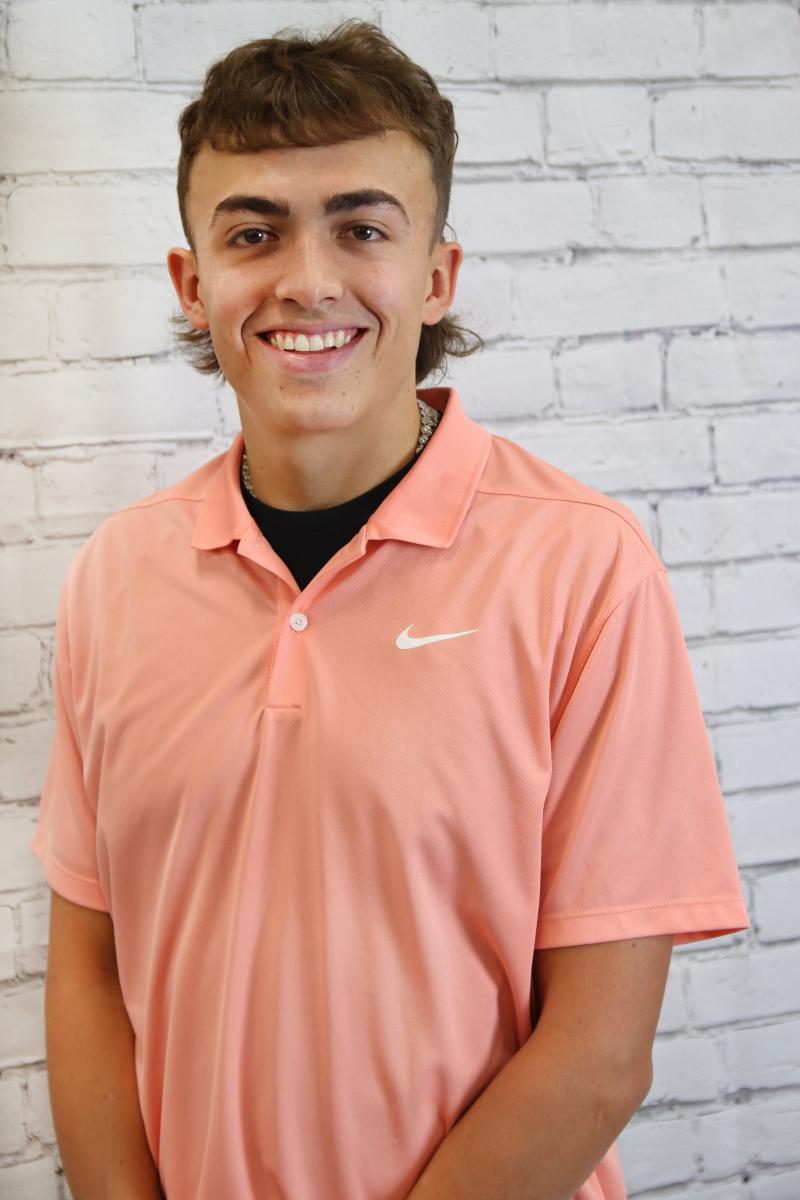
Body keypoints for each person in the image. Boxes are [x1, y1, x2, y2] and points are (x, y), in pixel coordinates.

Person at [32, 19, 750, 1200]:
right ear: (192, 283)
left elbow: (598, 1053)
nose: (306, 280)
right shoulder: (115, 574)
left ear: (434, 277)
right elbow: (89, 974)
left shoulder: (581, 568)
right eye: (253, 232)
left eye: (360, 228)